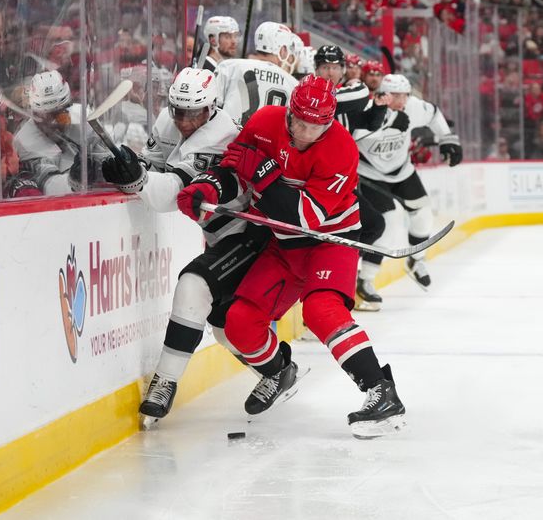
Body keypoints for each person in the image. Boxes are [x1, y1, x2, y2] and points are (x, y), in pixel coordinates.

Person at [178, 75, 406, 439]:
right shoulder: (265, 122)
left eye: (315, 126)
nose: (303, 132)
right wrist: (206, 187)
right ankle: (277, 371)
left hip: (329, 240)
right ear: (289, 111)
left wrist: (265, 175)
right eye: (298, 121)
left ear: (329, 122)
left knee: (321, 309)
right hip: (281, 244)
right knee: (238, 322)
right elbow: (234, 169)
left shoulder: (340, 149)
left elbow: (303, 220)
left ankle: (380, 391)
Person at [98, 67, 268, 428]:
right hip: (220, 235)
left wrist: (138, 180)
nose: (184, 120)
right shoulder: (171, 119)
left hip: (249, 233)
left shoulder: (219, 138)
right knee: (224, 327)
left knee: (193, 285)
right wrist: (132, 168)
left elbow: (169, 196)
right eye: (178, 110)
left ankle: (164, 382)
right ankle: (279, 367)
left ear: (212, 108)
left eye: (193, 113)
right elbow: (155, 165)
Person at [353, 74, 462, 308]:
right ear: (384, 95)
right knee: (389, 223)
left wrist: (448, 139)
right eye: (396, 95)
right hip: (370, 174)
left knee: (423, 214)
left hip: (402, 170)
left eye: (405, 94)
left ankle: (416, 260)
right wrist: (391, 122)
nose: (402, 100)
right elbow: (356, 137)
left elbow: (433, 113)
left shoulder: (412, 106)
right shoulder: (369, 110)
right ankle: (366, 280)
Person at [13, 70, 108, 194]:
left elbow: (106, 157)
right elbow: (48, 184)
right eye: (44, 116)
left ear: (68, 107)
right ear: (33, 112)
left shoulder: (84, 119)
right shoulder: (24, 141)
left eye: (58, 115)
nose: (52, 123)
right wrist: (74, 181)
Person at [214, 21, 299, 125]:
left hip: (229, 138)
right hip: (266, 139)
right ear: (282, 49)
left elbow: (211, 108)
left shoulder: (228, 67)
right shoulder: (293, 83)